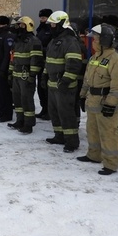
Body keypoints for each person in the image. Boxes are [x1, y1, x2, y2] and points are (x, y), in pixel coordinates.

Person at [78, 24, 118, 175]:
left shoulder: (117, 60)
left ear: (104, 40)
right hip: (92, 99)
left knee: (109, 133)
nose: (93, 41)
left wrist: (111, 104)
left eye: (96, 39)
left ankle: (111, 163)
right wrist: (82, 95)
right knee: (92, 130)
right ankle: (94, 155)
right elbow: (87, 79)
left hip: (105, 101)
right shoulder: (94, 57)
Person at [43, 10, 83, 152]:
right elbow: (48, 61)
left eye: (53, 24)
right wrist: (44, 75)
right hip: (52, 84)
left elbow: (73, 64)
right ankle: (59, 136)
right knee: (54, 113)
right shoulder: (54, 41)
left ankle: (71, 142)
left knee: (66, 114)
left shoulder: (71, 42)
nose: (51, 27)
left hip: (64, 85)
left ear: (61, 23)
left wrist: (66, 81)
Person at [8, 16, 43, 133]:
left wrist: (32, 75)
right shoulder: (18, 40)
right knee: (17, 100)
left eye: (22, 25)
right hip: (16, 75)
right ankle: (20, 120)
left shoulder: (34, 41)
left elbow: (36, 59)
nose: (19, 27)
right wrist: (10, 71)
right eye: (18, 25)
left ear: (28, 26)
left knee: (27, 100)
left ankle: (28, 124)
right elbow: (13, 58)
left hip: (26, 75)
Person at [36, 8, 53, 119]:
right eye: (41, 18)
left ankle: (49, 111)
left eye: (44, 18)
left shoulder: (51, 30)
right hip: (39, 61)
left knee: (46, 87)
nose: (42, 20)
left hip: (47, 61)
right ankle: (44, 108)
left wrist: (42, 50)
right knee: (40, 88)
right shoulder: (40, 30)